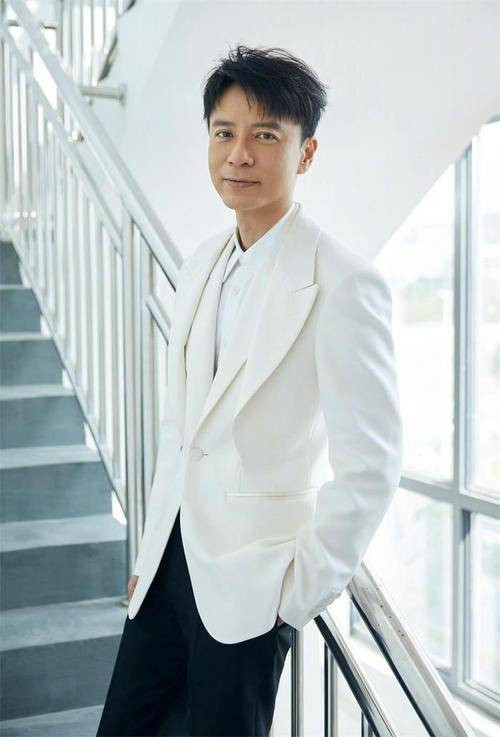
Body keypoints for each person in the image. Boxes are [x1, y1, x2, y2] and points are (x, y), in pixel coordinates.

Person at [96, 44, 403, 737]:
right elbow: (182, 432)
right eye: (224, 132)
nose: (239, 154)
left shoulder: (343, 282)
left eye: (265, 135)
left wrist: (293, 596)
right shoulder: (202, 260)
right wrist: (150, 555)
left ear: (306, 152)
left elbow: (372, 463)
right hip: (167, 570)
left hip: (251, 590)